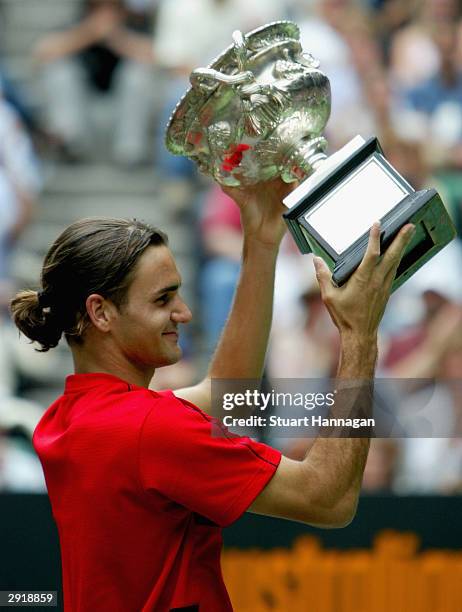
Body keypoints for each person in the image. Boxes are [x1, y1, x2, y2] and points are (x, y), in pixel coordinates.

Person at [10, 179, 414, 611]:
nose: (183, 312)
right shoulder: (151, 430)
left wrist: (260, 242)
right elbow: (328, 498)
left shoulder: (66, 417)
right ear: (101, 312)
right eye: (163, 299)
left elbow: (226, 397)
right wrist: (360, 335)